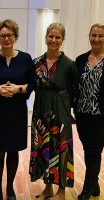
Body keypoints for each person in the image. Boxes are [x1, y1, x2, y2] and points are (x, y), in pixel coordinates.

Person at [0, 19, 36, 200]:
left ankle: (10, 188)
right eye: (2, 36)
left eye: (9, 35)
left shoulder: (26, 58)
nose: (6, 39)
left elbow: (33, 83)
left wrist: (17, 89)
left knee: (13, 151)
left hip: (16, 111)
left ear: (15, 37)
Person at [29, 23, 78, 200]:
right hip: (41, 112)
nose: (53, 40)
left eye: (58, 37)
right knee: (44, 148)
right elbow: (30, 86)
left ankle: (62, 192)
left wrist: (66, 108)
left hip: (61, 112)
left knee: (62, 150)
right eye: (51, 36)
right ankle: (48, 188)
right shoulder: (36, 63)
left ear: (62, 40)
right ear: (45, 38)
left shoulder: (69, 64)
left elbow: (75, 91)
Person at [75, 23, 104, 200]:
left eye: (100, 36)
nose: (96, 39)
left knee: (94, 151)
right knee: (88, 149)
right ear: (89, 36)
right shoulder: (80, 60)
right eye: (94, 35)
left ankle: (86, 190)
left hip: (100, 115)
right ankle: (94, 184)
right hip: (81, 113)